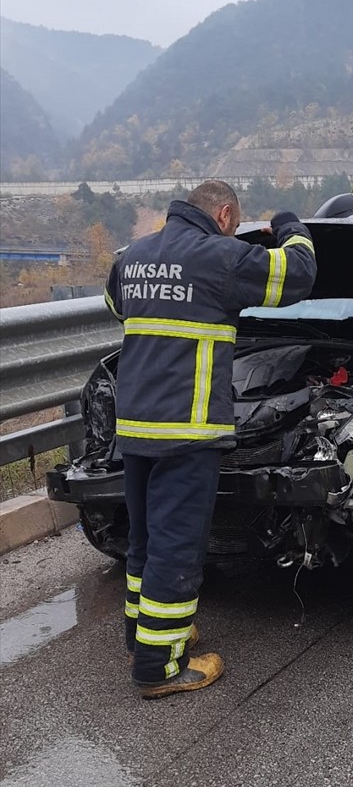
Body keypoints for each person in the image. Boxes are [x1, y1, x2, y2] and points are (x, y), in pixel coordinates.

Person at [104, 181, 317, 697]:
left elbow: (117, 306)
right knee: (177, 547)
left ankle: (144, 634)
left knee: (146, 540)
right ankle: (160, 668)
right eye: (234, 222)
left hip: (136, 427)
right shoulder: (219, 257)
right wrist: (289, 225)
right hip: (188, 429)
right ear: (224, 214)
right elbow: (297, 275)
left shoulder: (133, 256)